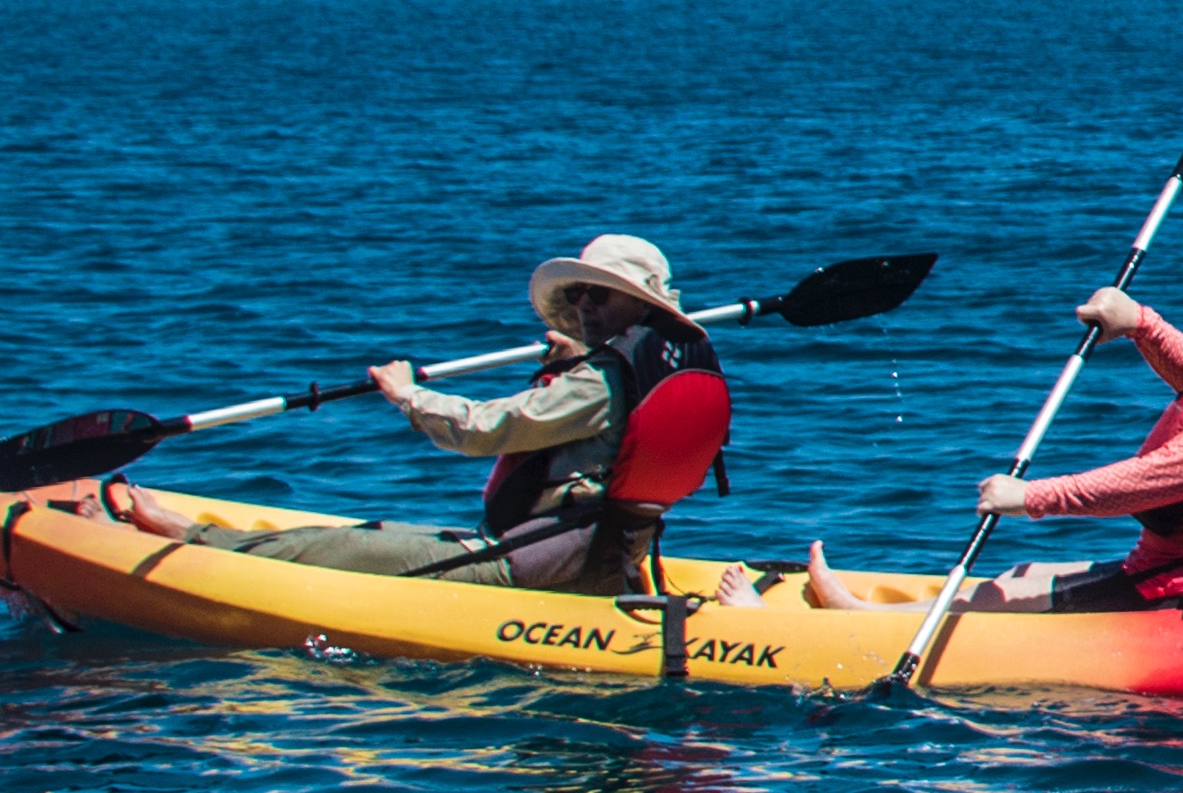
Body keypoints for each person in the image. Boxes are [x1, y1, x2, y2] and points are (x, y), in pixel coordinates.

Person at [104, 232, 730, 595]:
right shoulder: (653, 364)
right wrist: (573, 362)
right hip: (603, 555)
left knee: (332, 548)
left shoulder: (600, 380)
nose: (584, 305)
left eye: (598, 294)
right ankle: (205, 536)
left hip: (537, 563)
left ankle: (184, 537)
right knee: (370, 536)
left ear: (632, 304)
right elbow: (601, 422)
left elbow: (487, 429)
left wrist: (408, 396)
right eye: (579, 295)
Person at [797, 243, 1183, 614]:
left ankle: (857, 619)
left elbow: (1153, 479)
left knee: (998, 599)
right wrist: (1140, 324)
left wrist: (1031, 498)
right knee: (1019, 573)